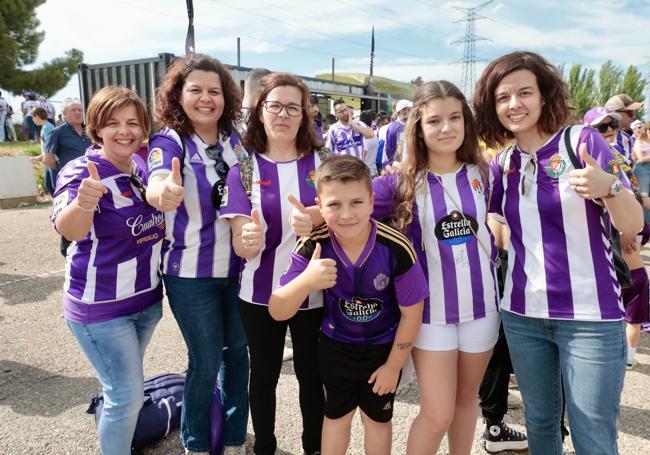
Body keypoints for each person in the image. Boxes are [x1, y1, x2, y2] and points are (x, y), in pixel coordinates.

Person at [473, 51, 643, 455]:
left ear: (544, 96)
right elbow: (498, 226)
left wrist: (609, 186)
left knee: (592, 432)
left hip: (590, 317)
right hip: (521, 315)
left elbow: (632, 224)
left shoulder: (580, 142)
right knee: (541, 422)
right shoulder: (503, 164)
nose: (514, 104)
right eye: (502, 97)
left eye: (524, 93)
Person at [372, 81, 500, 455]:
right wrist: (310, 216)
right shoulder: (401, 181)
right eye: (435, 120)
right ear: (419, 128)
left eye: (455, 118)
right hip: (430, 316)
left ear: (466, 122)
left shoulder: (484, 173)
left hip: (482, 310)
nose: (446, 128)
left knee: (466, 402)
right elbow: (350, 204)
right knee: (437, 414)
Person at [270, 155, 427, 455]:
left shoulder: (396, 247)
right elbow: (278, 310)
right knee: (336, 417)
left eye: (356, 203)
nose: (346, 214)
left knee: (377, 421)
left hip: (383, 349)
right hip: (336, 347)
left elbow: (412, 312)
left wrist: (393, 367)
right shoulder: (314, 245)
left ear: (371, 201)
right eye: (334, 205)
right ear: (319, 204)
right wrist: (307, 280)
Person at [145, 53, 249, 455]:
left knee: (238, 355)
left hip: (239, 269)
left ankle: (236, 440)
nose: (206, 99)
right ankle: (197, 445)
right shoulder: (168, 141)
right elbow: (156, 180)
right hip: (190, 274)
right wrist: (163, 193)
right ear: (178, 95)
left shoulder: (233, 140)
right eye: (196, 90)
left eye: (215, 91)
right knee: (205, 362)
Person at [51, 86, 163, 455]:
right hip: (100, 309)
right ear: (96, 128)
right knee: (126, 395)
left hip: (146, 303)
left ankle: (117, 429)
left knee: (121, 386)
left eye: (133, 122)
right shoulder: (82, 170)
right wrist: (83, 204)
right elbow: (70, 230)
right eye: (113, 123)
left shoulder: (143, 166)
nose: (124, 131)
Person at [220, 72, 326, 455]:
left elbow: (352, 217)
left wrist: (316, 217)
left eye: (292, 107)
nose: (283, 114)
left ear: (304, 114)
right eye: (274, 105)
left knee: (311, 377)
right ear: (260, 112)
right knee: (263, 376)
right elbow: (240, 241)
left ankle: (313, 447)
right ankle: (264, 446)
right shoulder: (243, 171)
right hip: (259, 294)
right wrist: (247, 241)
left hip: (314, 293)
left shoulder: (324, 165)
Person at [584, 108, 650, 370]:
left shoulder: (618, 156)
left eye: (612, 124)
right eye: (602, 127)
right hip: (608, 243)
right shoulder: (590, 157)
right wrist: (624, 232)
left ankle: (626, 352)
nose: (610, 130)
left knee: (633, 287)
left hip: (627, 233)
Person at [44, 97, 93, 256]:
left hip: (90, 182)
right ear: (64, 114)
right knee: (69, 216)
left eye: (80, 110)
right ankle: (68, 251)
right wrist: (66, 171)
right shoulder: (56, 133)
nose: (78, 113)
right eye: (74, 110)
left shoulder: (89, 131)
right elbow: (48, 159)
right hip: (70, 185)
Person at [605, 94, 644, 161]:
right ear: (615, 113)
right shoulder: (598, 138)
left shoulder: (627, 138)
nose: (634, 117)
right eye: (630, 113)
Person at [29, 107, 57, 194]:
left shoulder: (48, 129)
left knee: (54, 187)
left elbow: (51, 148)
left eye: (33, 117)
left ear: (37, 116)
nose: (33, 120)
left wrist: (37, 158)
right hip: (48, 161)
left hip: (52, 161)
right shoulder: (46, 127)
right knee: (49, 185)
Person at [382, 99, 412, 167]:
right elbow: (400, 150)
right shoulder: (400, 128)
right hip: (399, 166)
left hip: (392, 164)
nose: (412, 112)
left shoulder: (394, 125)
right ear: (402, 111)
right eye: (410, 110)